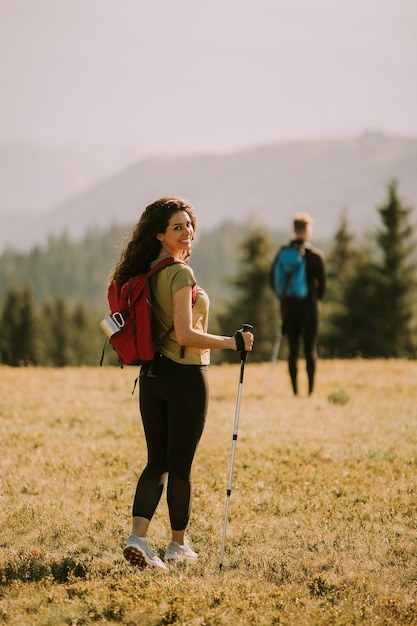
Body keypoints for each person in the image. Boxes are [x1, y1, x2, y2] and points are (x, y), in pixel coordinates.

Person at [109, 196, 254, 570]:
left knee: (156, 461)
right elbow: (186, 334)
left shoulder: (148, 272)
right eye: (177, 226)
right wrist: (232, 342)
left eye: (189, 224)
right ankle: (177, 545)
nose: (187, 231)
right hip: (185, 376)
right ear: (160, 234)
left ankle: (137, 538)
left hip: (152, 377)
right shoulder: (178, 273)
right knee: (180, 466)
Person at [277, 213, 326, 396]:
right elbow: (322, 286)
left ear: (294, 229)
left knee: (293, 351)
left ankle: (295, 391)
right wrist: (315, 300)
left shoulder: (283, 253)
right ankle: (310, 391)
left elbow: (274, 282)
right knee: (310, 349)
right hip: (310, 308)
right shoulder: (315, 256)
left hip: (289, 308)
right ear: (307, 230)